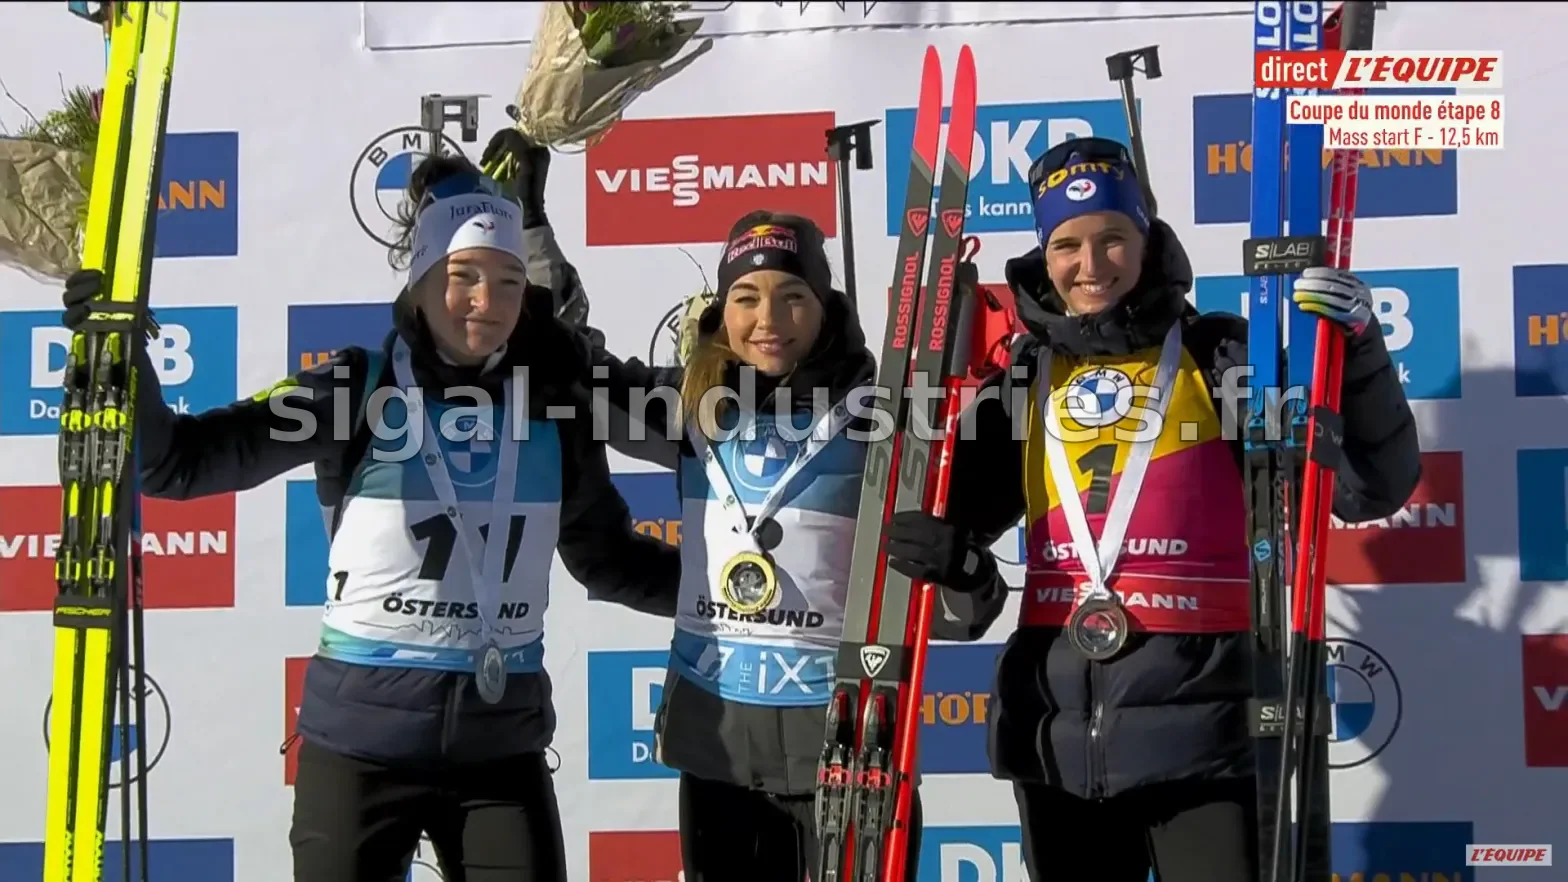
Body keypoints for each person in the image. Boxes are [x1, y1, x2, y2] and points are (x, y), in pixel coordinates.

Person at [59, 148, 680, 882]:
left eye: (510, 282)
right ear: (419, 283)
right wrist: (118, 353)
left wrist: (740, 599)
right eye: (464, 277)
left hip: (498, 754)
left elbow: (606, 558)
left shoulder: (554, 402)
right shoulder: (359, 389)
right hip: (360, 751)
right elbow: (180, 462)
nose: (487, 300)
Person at [878, 138, 1421, 882]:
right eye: (1067, 244)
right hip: (1054, 739)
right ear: (1044, 254)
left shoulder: (1220, 354)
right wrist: (949, 555)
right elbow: (958, 577)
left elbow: (1366, 487)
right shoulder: (1025, 379)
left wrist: (1355, 351)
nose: (1091, 264)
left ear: (1147, 240)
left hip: (1207, 735)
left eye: (1112, 238)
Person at [515, 186, 1004, 878]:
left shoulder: (884, 421)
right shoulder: (691, 407)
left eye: (792, 297)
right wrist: (529, 226)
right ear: (723, 311)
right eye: (746, 297)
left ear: (825, 307)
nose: (768, 319)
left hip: (851, 754)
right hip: (719, 755)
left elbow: (957, 614)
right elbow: (572, 360)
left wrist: (964, 570)